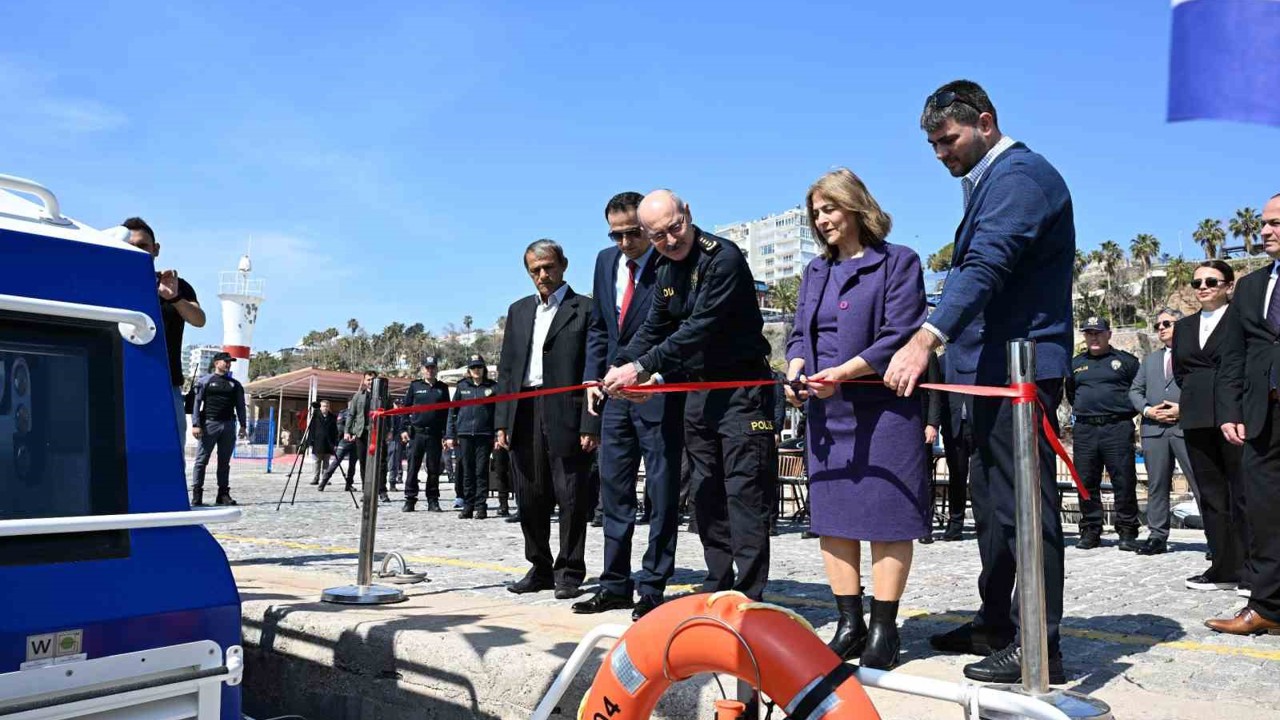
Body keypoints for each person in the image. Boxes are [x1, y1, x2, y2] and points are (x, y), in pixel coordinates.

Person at [884, 80, 1075, 684]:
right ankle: (996, 621)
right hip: (984, 374)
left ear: (985, 123)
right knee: (993, 511)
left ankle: (1039, 641)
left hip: (1019, 372)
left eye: (949, 139)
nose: (942, 153)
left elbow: (986, 265)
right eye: (934, 144)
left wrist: (926, 338)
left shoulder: (1019, 178)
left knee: (1026, 509)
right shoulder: (987, 182)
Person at [785, 168, 929, 670]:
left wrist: (843, 372)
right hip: (828, 413)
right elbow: (800, 332)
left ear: (855, 207)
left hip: (884, 413)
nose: (822, 219)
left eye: (830, 208)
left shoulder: (899, 263)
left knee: (888, 519)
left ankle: (884, 627)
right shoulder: (814, 272)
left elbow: (899, 333)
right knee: (835, 520)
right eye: (816, 211)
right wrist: (796, 369)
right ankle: (849, 622)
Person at [603, 189, 775, 602]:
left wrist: (643, 368)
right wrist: (621, 367)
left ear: (689, 215)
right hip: (698, 392)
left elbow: (698, 329)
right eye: (658, 236)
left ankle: (751, 595)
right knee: (706, 491)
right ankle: (718, 582)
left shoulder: (725, 259)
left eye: (675, 228)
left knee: (743, 494)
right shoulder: (664, 268)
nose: (670, 240)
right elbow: (653, 329)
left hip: (741, 391)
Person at [574, 191, 685, 621]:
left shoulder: (670, 260)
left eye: (632, 233)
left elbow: (677, 327)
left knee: (660, 491)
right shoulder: (605, 263)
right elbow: (600, 326)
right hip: (614, 395)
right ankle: (614, 583)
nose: (624, 243)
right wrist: (592, 378)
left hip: (657, 391)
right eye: (615, 234)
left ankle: (653, 584)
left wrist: (654, 375)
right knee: (615, 491)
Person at [495, 239, 601, 599]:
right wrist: (502, 421)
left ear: (564, 264)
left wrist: (591, 422)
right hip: (523, 411)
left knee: (571, 496)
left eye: (548, 267)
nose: (543, 275)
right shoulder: (519, 310)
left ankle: (569, 570)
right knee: (529, 496)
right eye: (535, 270)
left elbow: (593, 369)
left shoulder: (585, 309)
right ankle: (539, 566)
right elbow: (508, 369)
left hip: (568, 412)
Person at [1212, 194, 1280, 635]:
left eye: (1276, 223)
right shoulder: (1252, 287)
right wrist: (1230, 410)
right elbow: (1233, 356)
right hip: (1262, 418)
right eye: (1264, 224)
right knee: (1264, 514)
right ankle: (1269, 608)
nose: (1266, 231)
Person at [1175, 261, 1250, 593]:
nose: (1202, 287)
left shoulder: (1241, 319)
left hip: (1234, 416)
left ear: (1229, 286)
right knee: (1211, 496)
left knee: (1242, 493)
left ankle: (1251, 569)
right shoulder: (1185, 326)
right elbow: (1181, 371)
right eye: (1196, 282)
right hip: (1195, 417)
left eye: (1211, 281)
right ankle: (1222, 567)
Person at [123, 217, 206, 445]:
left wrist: (174, 297)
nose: (137, 252)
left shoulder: (175, 285)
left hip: (166, 384)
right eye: (130, 247)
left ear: (155, 249)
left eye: (143, 246)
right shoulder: (112, 285)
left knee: (171, 452)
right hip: (121, 381)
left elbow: (199, 320)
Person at [1065, 317, 1141, 551]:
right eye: (1089, 333)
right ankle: (1090, 530)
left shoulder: (1126, 362)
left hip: (1116, 427)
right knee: (1086, 481)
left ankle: (1127, 531)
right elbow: (1071, 394)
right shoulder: (1075, 364)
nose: (1094, 337)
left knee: (1124, 480)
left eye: (1098, 332)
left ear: (1109, 334)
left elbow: (1137, 390)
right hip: (1086, 429)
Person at [1129, 309, 1197, 555]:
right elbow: (1135, 391)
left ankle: (1217, 538)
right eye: (1157, 325)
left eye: (1167, 323)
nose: (1161, 328)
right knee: (1157, 485)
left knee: (1199, 482)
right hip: (1154, 431)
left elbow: (1204, 388)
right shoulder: (1150, 360)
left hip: (1185, 428)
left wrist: (1183, 410)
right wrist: (1148, 411)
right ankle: (1157, 536)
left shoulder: (1195, 355)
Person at [190, 352, 246, 506]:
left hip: (228, 425)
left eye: (230, 362)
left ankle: (223, 494)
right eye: (225, 361)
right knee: (201, 461)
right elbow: (197, 403)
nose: (228, 364)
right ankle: (197, 493)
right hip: (209, 424)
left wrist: (243, 425)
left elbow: (240, 406)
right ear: (216, 363)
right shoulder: (205, 381)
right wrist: (195, 424)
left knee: (224, 462)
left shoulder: (235, 384)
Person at [446, 354, 498, 519]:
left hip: (484, 434)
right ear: (469, 370)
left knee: (481, 471)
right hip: (465, 434)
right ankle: (468, 505)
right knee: (467, 471)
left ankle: (481, 506)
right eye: (473, 367)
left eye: (479, 367)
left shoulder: (493, 387)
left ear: (484, 369)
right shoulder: (462, 387)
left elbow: (498, 413)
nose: (477, 370)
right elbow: (452, 412)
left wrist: (498, 434)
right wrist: (450, 435)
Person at [401, 357, 450, 512]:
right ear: (422, 369)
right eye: (427, 368)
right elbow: (405, 409)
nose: (430, 370)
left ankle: (433, 500)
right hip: (417, 433)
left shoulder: (442, 388)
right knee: (412, 467)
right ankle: (410, 499)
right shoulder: (415, 386)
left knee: (434, 468)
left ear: (436, 369)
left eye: (433, 367)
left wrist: (446, 434)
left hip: (435, 434)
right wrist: (403, 428)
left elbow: (447, 412)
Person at [936, 349, 970, 542]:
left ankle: (988, 525)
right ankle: (956, 525)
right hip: (953, 429)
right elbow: (937, 397)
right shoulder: (942, 362)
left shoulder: (978, 358)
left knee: (985, 480)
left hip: (979, 427)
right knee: (957, 477)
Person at [919, 350, 945, 544]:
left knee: (924, 476)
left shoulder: (928, 355)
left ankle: (925, 525)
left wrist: (932, 423)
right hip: (893, 424)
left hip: (920, 423)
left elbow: (935, 391)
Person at [307, 400, 340, 486]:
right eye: (324, 406)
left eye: (327, 406)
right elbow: (311, 429)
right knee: (317, 461)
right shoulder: (315, 416)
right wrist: (310, 442)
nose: (325, 408)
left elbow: (335, 431)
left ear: (329, 407)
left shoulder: (333, 417)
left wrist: (336, 443)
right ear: (320, 407)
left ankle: (325, 479)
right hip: (318, 442)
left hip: (328, 443)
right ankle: (315, 478)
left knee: (326, 462)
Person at [386, 397, 407, 491]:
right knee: (392, 461)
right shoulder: (390, 414)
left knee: (396, 461)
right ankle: (391, 482)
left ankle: (395, 480)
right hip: (391, 441)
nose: (399, 406)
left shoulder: (403, 416)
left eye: (400, 404)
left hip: (399, 440)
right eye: (397, 404)